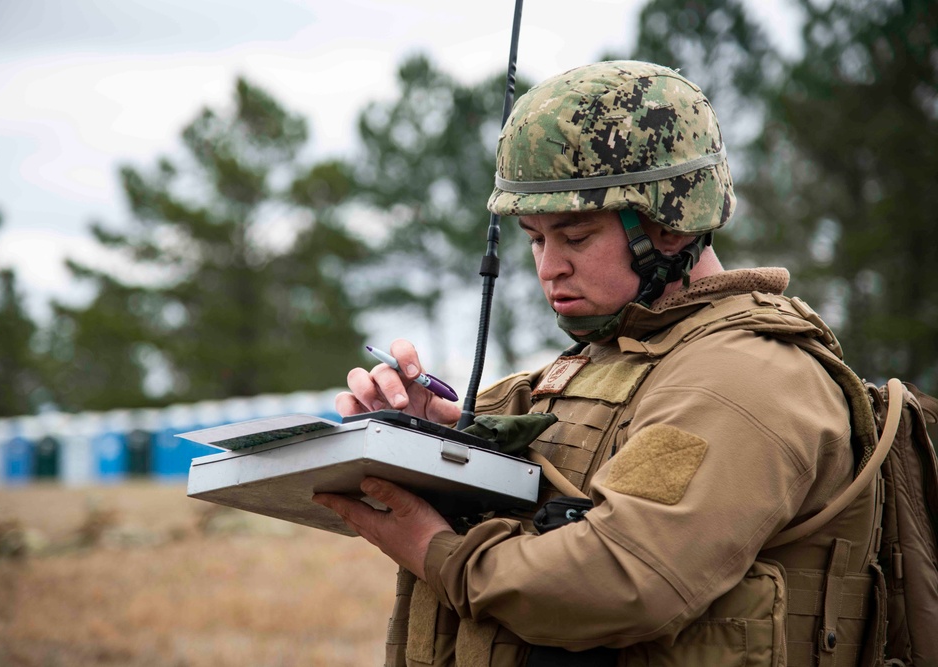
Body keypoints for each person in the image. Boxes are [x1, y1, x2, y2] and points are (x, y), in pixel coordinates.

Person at [313, 61, 882, 667]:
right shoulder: (607, 360)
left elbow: (624, 577)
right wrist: (429, 428)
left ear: (667, 227)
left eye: (575, 237)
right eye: (534, 238)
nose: (548, 267)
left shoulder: (745, 378)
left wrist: (439, 552)